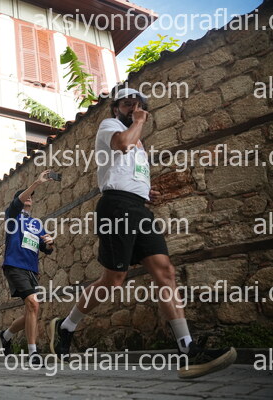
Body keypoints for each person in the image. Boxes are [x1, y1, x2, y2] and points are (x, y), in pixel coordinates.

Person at [49, 87, 237, 379]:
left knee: (165, 271)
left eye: (138, 105)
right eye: (127, 104)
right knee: (114, 279)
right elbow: (122, 145)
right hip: (115, 206)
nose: (133, 108)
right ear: (116, 108)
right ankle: (67, 326)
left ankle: (187, 350)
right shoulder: (110, 126)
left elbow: (127, 169)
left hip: (138, 207)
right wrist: (138, 121)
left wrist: (144, 191)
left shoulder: (140, 142)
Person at [0, 170, 55, 368]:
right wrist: (37, 183)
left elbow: (46, 249)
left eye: (31, 197)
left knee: (32, 309)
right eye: (26, 196)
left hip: (31, 270)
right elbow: (19, 201)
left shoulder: (36, 224)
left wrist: (50, 242)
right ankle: (33, 353)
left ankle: (5, 335)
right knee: (33, 304)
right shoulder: (12, 216)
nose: (29, 198)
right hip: (14, 266)